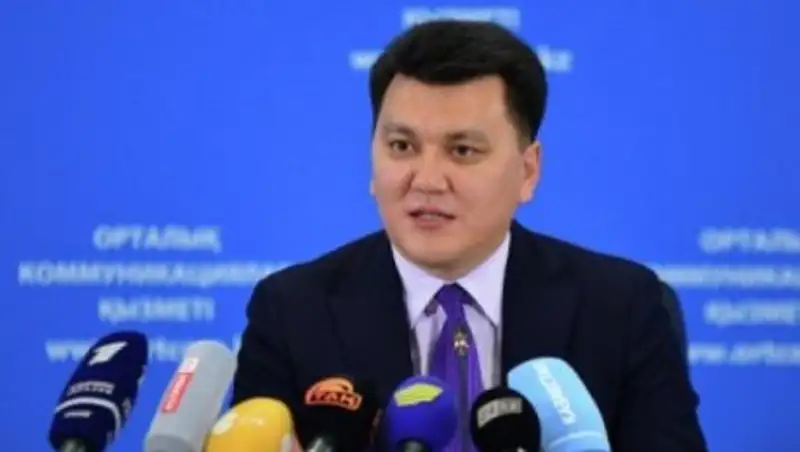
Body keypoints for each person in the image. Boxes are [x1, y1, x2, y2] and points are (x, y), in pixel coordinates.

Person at [232, 19, 707, 452]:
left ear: (528, 171)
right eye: (402, 146)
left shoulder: (621, 308)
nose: (427, 180)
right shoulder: (292, 312)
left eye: (462, 150)